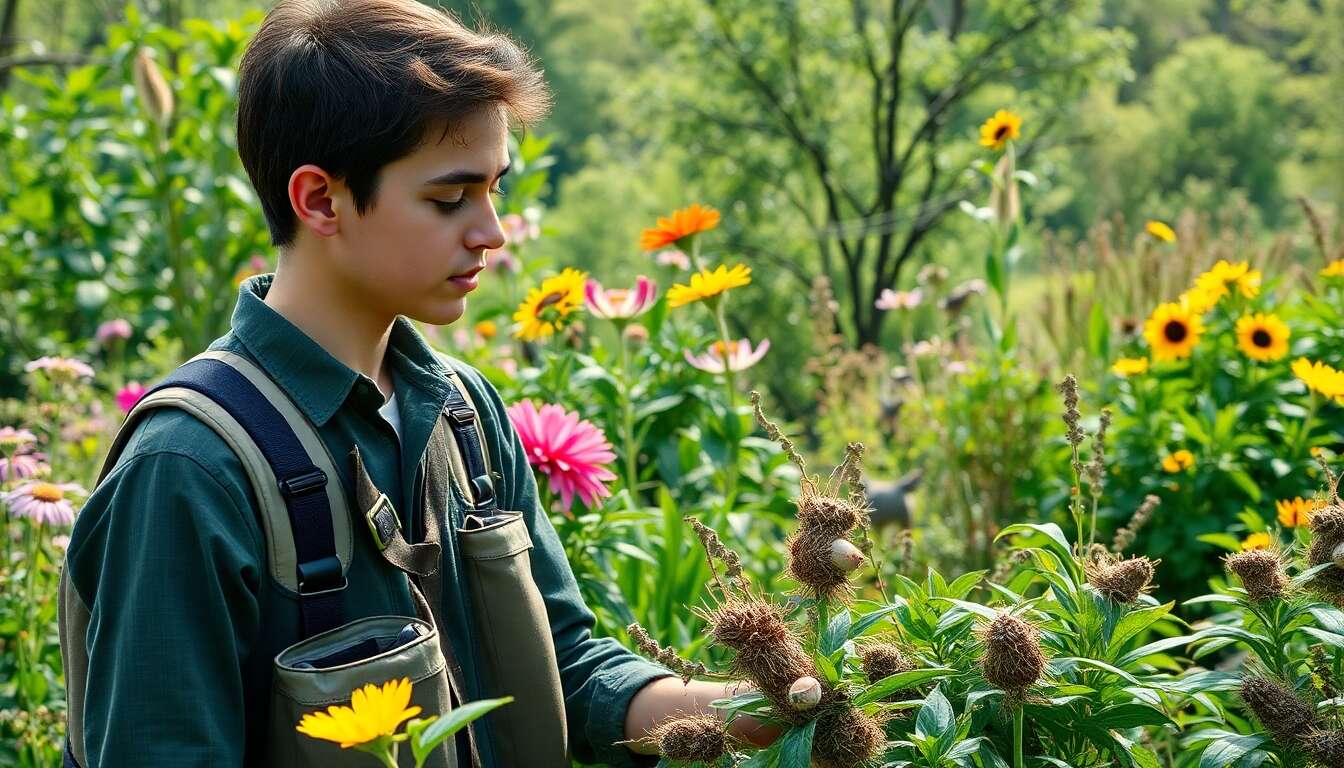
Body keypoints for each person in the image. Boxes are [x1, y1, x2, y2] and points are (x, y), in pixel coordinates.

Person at [59, 1, 771, 765]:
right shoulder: (190, 471)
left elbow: (565, 667)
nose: (491, 231)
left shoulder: (464, 412)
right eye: (449, 198)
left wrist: (755, 713)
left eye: (496, 188)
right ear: (319, 199)